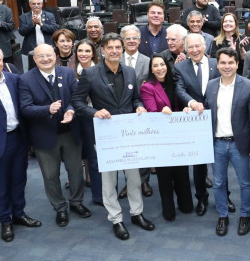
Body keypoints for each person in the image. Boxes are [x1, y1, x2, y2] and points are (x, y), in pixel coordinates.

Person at [72, 33, 155, 240]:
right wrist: (95, 112)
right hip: (105, 134)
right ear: (102, 50)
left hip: (128, 134)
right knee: (109, 181)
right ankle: (116, 219)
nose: (115, 51)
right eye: (110, 47)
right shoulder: (90, 74)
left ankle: (137, 213)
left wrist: (140, 108)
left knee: (134, 177)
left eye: (118, 47)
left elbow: (136, 99)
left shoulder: (129, 71)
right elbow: (77, 102)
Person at [187, 48, 250, 236]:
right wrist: (191, 109)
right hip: (217, 143)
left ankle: (245, 216)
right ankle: (222, 216)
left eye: (230, 63)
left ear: (237, 64)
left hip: (239, 143)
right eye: (223, 63)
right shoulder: (211, 85)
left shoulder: (249, 85)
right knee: (218, 183)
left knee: (245, 182)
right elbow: (206, 111)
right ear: (217, 64)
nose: (227, 66)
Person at [0, 45, 42, 242]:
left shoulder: (14, 79)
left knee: (19, 180)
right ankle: (5, 221)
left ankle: (19, 214)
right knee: (1, 184)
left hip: (18, 139)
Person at [19, 44, 90, 228]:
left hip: (70, 133)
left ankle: (76, 202)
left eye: (49, 55)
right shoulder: (25, 79)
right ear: (34, 59)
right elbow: (25, 108)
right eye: (40, 56)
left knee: (75, 171)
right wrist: (47, 110)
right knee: (51, 176)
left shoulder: (67, 73)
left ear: (55, 55)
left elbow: (77, 98)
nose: (45, 59)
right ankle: (60, 208)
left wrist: (71, 111)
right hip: (45, 137)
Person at [140, 54, 193, 221]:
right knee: (164, 176)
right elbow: (152, 112)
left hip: (178, 136)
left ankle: (185, 205)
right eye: (155, 66)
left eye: (162, 64)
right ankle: (168, 210)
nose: (159, 68)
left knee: (182, 172)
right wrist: (161, 113)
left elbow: (183, 103)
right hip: (161, 138)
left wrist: (186, 110)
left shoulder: (175, 83)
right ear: (151, 69)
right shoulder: (147, 87)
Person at [175, 33, 220, 216]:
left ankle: (224, 196)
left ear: (205, 46)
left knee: (221, 161)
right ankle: (202, 197)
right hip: (196, 120)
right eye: (190, 47)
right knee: (199, 163)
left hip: (218, 118)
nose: (194, 50)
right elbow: (179, 89)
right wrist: (191, 102)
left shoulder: (217, 64)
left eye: (197, 46)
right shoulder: (180, 67)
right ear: (186, 49)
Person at [71, 39, 102, 206]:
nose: (83, 54)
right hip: (76, 119)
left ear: (93, 53)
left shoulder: (99, 70)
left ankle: (99, 195)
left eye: (87, 51)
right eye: (80, 51)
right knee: (78, 156)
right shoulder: (70, 72)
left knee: (95, 158)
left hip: (95, 118)